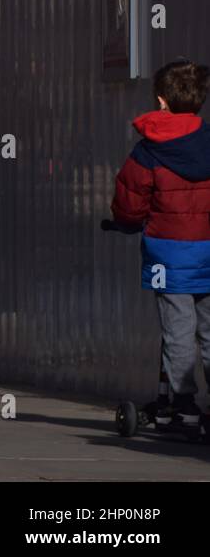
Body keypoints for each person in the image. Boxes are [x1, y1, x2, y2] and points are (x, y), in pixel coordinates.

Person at [111, 58, 210, 432]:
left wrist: (125, 222)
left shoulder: (149, 151)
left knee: (177, 330)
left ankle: (183, 408)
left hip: (166, 254)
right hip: (208, 248)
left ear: (161, 100)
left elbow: (130, 202)